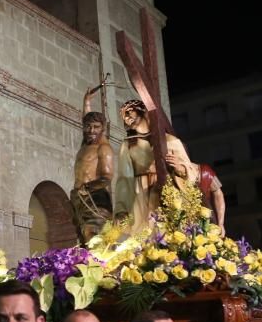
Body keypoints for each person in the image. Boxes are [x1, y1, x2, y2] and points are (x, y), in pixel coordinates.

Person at [114, 100, 226, 232]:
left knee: (170, 233)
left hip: (168, 194)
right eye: (123, 116)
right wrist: (121, 208)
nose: (126, 118)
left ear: (142, 110)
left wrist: (180, 168)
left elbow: (192, 173)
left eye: (128, 112)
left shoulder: (169, 140)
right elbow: (124, 179)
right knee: (142, 237)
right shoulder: (128, 145)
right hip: (141, 196)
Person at [70, 86, 115, 243]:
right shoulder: (86, 144)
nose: (91, 130)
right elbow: (86, 118)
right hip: (78, 197)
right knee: (82, 239)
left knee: (95, 238)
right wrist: (87, 101)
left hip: (96, 198)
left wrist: (87, 188)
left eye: (96, 127)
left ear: (103, 129)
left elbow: (106, 178)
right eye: (88, 126)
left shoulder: (104, 148)